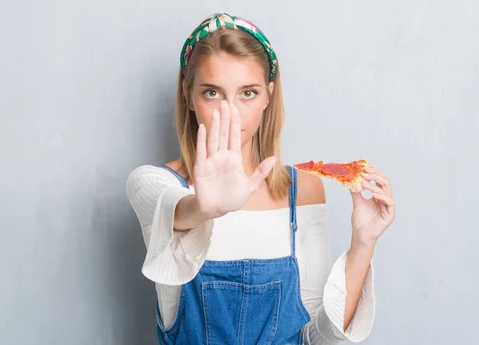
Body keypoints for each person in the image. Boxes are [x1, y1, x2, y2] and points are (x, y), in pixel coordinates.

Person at [125, 13, 395, 345]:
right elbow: (174, 211)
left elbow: (317, 339)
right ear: (188, 95)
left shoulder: (305, 191)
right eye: (212, 92)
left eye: (247, 93)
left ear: (268, 95)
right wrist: (204, 208)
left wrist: (363, 245)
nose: (231, 111)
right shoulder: (154, 184)